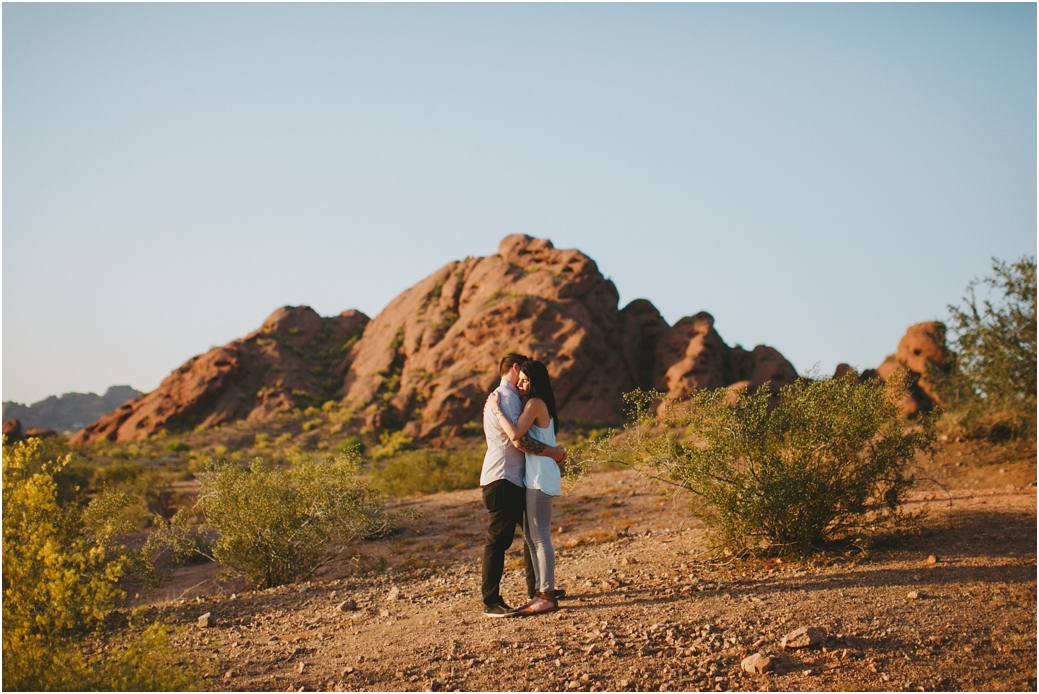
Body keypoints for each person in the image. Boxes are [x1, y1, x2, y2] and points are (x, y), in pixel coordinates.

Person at [480, 353, 568, 618]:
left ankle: (542, 591)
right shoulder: (506, 398)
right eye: (522, 376)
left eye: (527, 380)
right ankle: (493, 600)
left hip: (521, 478)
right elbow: (517, 438)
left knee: (534, 535)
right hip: (505, 477)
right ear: (516, 368)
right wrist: (553, 452)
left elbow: (523, 435)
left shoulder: (524, 400)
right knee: (502, 540)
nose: (522, 383)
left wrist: (553, 453)